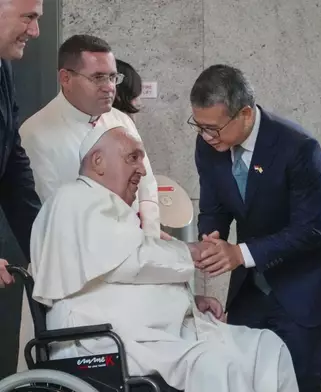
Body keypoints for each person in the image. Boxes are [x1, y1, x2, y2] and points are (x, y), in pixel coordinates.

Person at [29, 121, 299, 392]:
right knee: (217, 366)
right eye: (132, 157)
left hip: (144, 333)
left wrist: (188, 302)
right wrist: (190, 252)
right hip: (103, 341)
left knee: (266, 348)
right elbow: (131, 261)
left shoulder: (102, 203)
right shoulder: (76, 199)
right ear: (98, 161)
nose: (142, 170)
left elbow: (122, 270)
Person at [191, 64, 321, 392]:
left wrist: (239, 253)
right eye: (199, 126)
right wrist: (210, 240)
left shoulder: (299, 147)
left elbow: (310, 229)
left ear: (245, 114)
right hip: (251, 286)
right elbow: (214, 207)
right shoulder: (208, 146)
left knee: (296, 382)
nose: (207, 137)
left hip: (304, 283)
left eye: (214, 128)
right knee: (241, 378)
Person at [19, 34, 161, 237]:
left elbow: (147, 185)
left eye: (113, 77)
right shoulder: (36, 134)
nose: (109, 87)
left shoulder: (121, 120)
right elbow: (51, 214)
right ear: (65, 78)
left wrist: (150, 235)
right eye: (98, 77)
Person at [0, 0, 42, 378]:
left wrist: (44, 244)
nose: (35, 31)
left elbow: (13, 164)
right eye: (28, 17)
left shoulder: (3, 69)